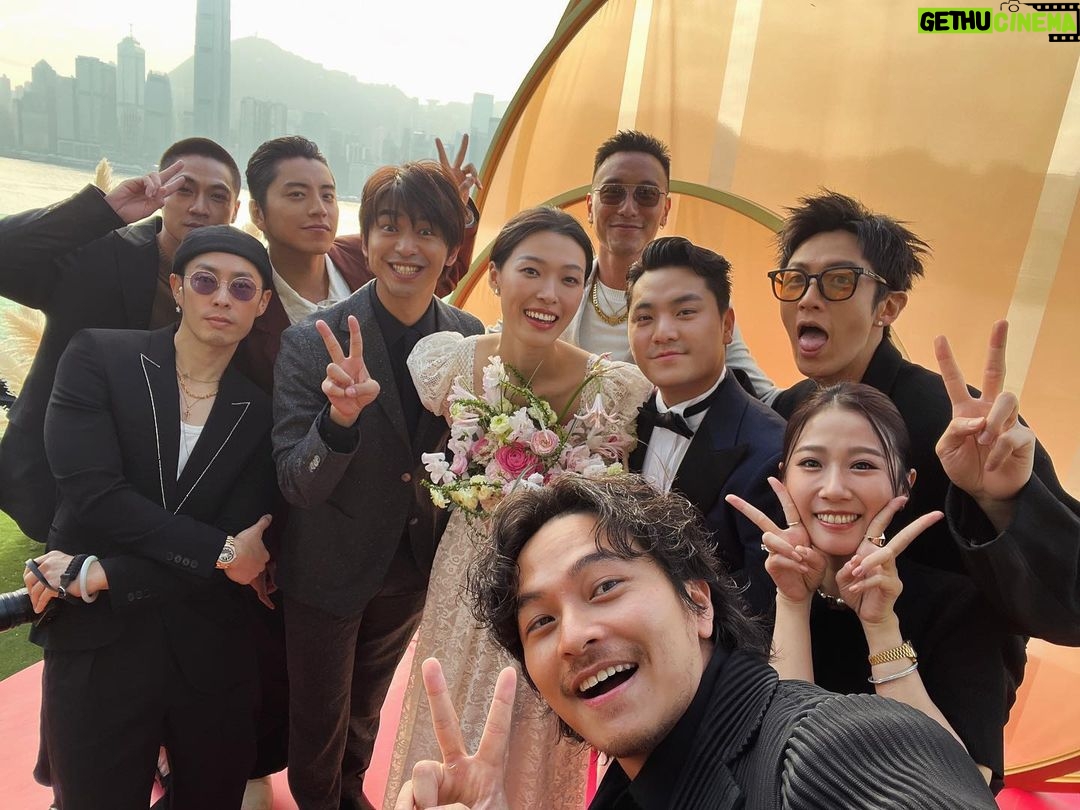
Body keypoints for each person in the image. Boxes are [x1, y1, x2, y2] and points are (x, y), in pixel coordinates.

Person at [392, 474, 996, 810]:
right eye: (541, 622)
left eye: (605, 586)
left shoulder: (829, 755)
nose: (574, 636)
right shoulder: (627, 796)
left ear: (699, 603)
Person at [384, 206, 652, 809]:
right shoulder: (452, 363)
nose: (549, 294)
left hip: (553, 582)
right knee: (446, 710)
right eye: (531, 271)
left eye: (569, 279)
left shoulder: (608, 387)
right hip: (463, 573)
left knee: (536, 723)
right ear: (496, 276)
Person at [22, 225, 277, 810]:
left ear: (262, 304)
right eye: (206, 281)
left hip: (208, 646)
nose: (222, 298)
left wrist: (102, 574)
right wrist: (219, 554)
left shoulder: (260, 412)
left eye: (241, 288)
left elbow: (249, 539)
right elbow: (95, 495)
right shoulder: (99, 356)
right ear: (178, 288)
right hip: (97, 642)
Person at [768, 191, 1080, 645]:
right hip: (801, 663)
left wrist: (1002, 501)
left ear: (889, 307)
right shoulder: (785, 412)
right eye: (795, 280)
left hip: (940, 674)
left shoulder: (962, 426)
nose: (808, 299)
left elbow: (1070, 610)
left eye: (838, 281)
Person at [271, 160, 484, 810]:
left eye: (426, 231)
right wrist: (338, 421)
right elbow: (296, 482)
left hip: (410, 570)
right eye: (389, 227)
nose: (406, 246)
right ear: (365, 240)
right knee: (319, 721)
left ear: (450, 249)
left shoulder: (470, 338)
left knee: (365, 709)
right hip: (327, 570)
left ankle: (349, 793)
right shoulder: (312, 342)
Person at [727, 383, 1024, 790]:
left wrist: (881, 625)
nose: (834, 488)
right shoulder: (740, 603)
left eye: (863, 466)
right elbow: (771, 777)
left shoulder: (960, 609)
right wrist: (793, 604)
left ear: (904, 484)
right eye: (811, 463)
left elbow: (960, 789)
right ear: (783, 476)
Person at [0, 137, 241, 544]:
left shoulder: (240, 291)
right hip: (59, 485)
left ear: (235, 210)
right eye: (184, 190)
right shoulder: (98, 256)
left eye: (217, 196)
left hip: (162, 499)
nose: (200, 207)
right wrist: (102, 212)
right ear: (162, 193)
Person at [241, 135, 482, 394]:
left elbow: (436, 273)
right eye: (297, 195)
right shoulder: (243, 297)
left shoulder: (368, 252)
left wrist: (444, 206)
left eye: (327, 195)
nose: (319, 209)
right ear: (257, 213)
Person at [626, 236, 785, 613]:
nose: (663, 333)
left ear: (727, 326)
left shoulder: (771, 450)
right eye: (645, 318)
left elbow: (762, 608)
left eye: (685, 312)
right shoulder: (619, 421)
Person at [559, 129, 777, 401]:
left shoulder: (697, 296)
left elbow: (757, 392)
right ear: (590, 206)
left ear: (665, 210)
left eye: (646, 195)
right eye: (613, 193)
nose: (628, 208)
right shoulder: (559, 292)